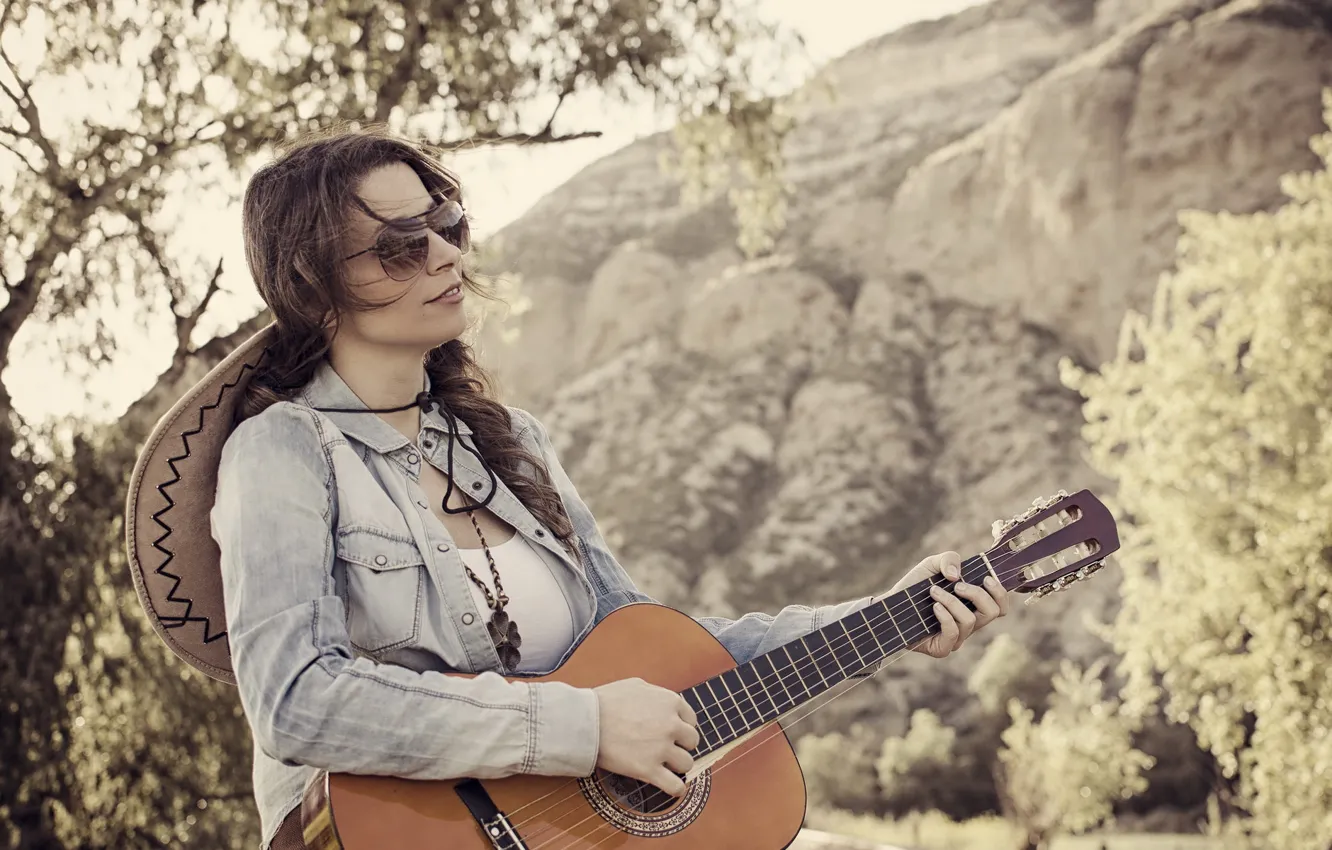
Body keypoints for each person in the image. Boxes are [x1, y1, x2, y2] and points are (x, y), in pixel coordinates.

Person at [125, 126, 1008, 850]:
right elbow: (294, 701)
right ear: (314, 287)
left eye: (446, 226)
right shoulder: (282, 453)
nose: (441, 255)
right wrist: (580, 729)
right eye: (398, 247)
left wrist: (887, 618)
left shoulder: (514, 447)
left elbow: (667, 658)